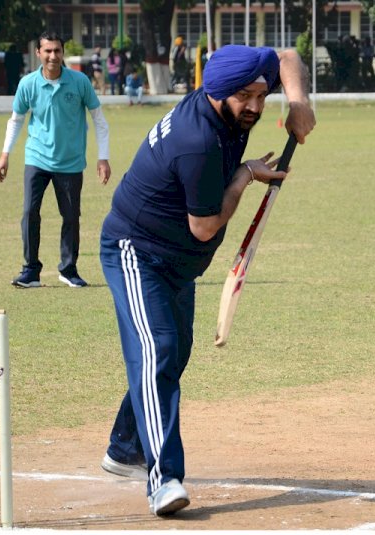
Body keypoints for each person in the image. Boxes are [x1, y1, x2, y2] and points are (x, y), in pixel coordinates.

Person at [98, 44, 315, 516]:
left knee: (174, 352)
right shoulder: (196, 142)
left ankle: (124, 449)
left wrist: (298, 102)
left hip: (179, 261)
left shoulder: (234, 94)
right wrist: (243, 176)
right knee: (158, 351)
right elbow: (205, 226)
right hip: (137, 251)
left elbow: (289, 55)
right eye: (245, 98)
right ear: (218, 93)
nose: (256, 107)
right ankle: (164, 480)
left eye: (263, 95)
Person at [0, 31, 112, 288]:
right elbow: (15, 121)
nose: (53, 56)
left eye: (57, 50)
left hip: (70, 162)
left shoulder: (80, 82)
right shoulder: (28, 84)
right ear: (38, 53)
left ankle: (68, 270)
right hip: (36, 158)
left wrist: (103, 158)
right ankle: (30, 271)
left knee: (70, 216)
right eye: (47, 51)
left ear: (62, 53)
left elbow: (100, 121)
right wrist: (5, 155)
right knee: (29, 212)